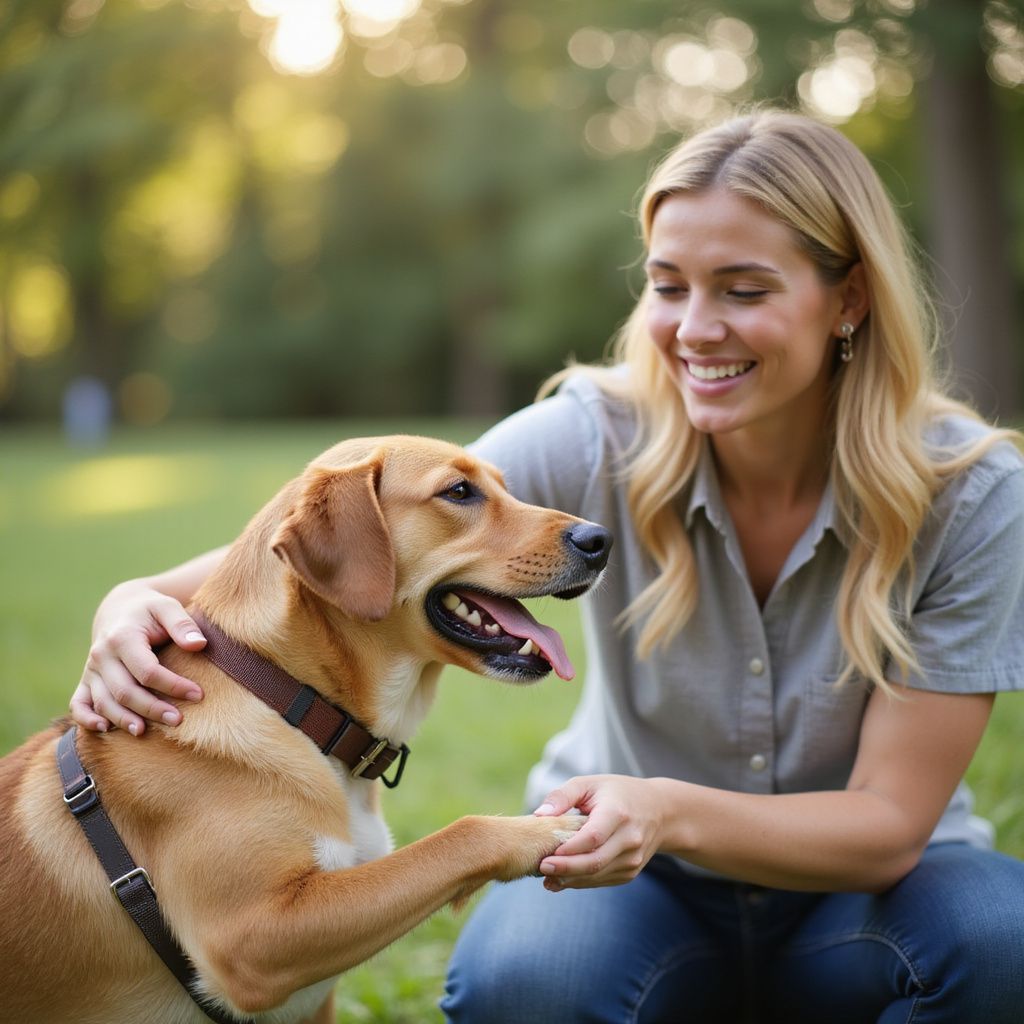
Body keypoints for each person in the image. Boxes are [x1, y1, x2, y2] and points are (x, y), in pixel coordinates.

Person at [72, 109, 1024, 1023]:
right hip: (623, 879)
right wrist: (127, 601)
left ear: (849, 297)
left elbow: (890, 824)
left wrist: (667, 810)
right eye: (667, 284)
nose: (694, 328)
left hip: (867, 902)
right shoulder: (593, 435)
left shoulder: (971, 493)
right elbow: (338, 536)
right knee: (528, 980)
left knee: (1000, 939)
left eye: (744, 290)